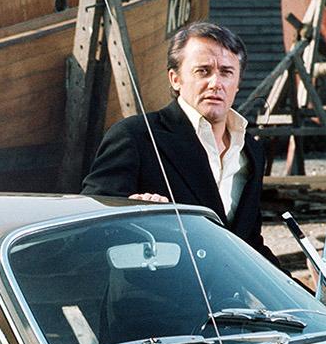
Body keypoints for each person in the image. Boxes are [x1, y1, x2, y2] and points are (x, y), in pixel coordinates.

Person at [81, 21, 278, 266]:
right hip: (152, 288)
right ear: (175, 79)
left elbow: (250, 242)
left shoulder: (252, 152)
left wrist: (297, 289)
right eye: (203, 71)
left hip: (224, 290)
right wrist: (133, 217)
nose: (215, 83)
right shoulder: (135, 136)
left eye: (226, 72)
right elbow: (88, 229)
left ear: (237, 83)